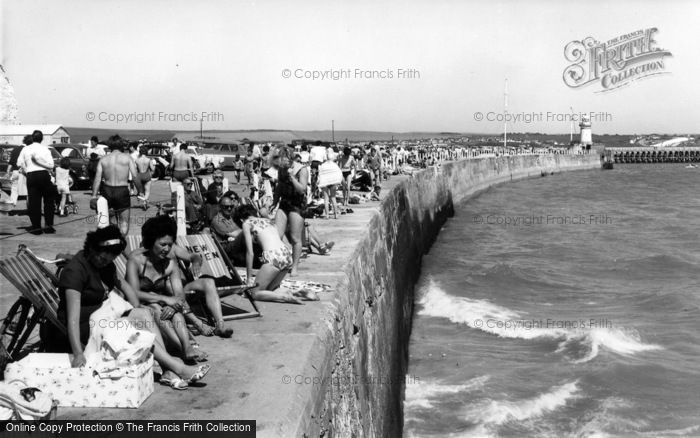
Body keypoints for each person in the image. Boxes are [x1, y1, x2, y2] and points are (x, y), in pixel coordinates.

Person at [54, 225, 209, 389]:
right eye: (102, 257)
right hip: (84, 324)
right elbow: (72, 318)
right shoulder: (75, 271)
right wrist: (78, 353)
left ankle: (166, 369)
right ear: (93, 247)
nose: (104, 262)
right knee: (129, 329)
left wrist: (137, 307)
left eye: (109, 259)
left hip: (101, 313)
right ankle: (179, 368)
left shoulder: (105, 265)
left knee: (142, 314)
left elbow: (124, 286)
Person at [126, 217, 232, 359]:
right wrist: (166, 299)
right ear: (151, 242)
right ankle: (184, 347)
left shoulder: (170, 263)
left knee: (173, 311)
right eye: (163, 245)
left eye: (169, 245)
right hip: (139, 303)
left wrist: (174, 305)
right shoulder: (136, 259)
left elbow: (179, 295)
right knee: (159, 308)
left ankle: (189, 348)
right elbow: (132, 293)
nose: (167, 249)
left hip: (163, 300)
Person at [234, 204, 318, 303]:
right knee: (270, 290)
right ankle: (297, 292)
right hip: (286, 255)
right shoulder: (268, 221)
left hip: (273, 256)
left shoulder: (247, 224)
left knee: (254, 293)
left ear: (240, 219)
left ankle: (285, 298)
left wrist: (248, 279)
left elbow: (250, 253)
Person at [91, 135, 138, 235]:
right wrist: (141, 191)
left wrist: (93, 196)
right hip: (122, 190)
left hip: (107, 190)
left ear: (109, 145)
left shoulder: (103, 159)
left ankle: (111, 242)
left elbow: (97, 179)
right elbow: (134, 176)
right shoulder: (127, 158)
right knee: (124, 222)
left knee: (108, 221)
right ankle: (120, 244)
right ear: (121, 145)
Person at [273, 147, 309, 276]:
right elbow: (279, 186)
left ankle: (294, 267)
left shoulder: (301, 169)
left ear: (291, 158)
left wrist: (292, 177)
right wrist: (274, 202)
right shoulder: (281, 169)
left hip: (297, 204)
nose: (283, 162)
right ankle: (284, 259)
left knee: (295, 238)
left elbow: (302, 189)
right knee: (277, 235)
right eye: (281, 160)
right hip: (284, 202)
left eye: (285, 159)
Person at [17, 130, 56, 234]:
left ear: (32, 138)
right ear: (42, 139)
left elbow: (19, 163)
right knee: (48, 201)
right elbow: (51, 166)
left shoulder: (26, 149)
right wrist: (39, 163)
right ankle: (48, 226)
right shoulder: (46, 149)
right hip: (44, 174)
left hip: (31, 175)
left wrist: (26, 169)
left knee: (34, 203)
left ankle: (36, 228)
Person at [5, 135, 30, 207]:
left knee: (14, 189)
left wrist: (8, 172)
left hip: (15, 172)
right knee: (28, 190)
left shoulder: (15, 149)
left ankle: (12, 205)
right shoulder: (28, 149)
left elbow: (11, 162)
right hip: (25, 173)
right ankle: (30, 207)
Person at [317, 150, 342, 219]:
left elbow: (320, 174)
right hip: (333, 182)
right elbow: (339, 173)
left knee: (326, 199)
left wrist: (319, 182)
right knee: (333, 198)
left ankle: (327, 215)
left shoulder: (323, 165)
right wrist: (338, 182)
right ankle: (336, 214)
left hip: (324, 182)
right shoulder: (335, 165)